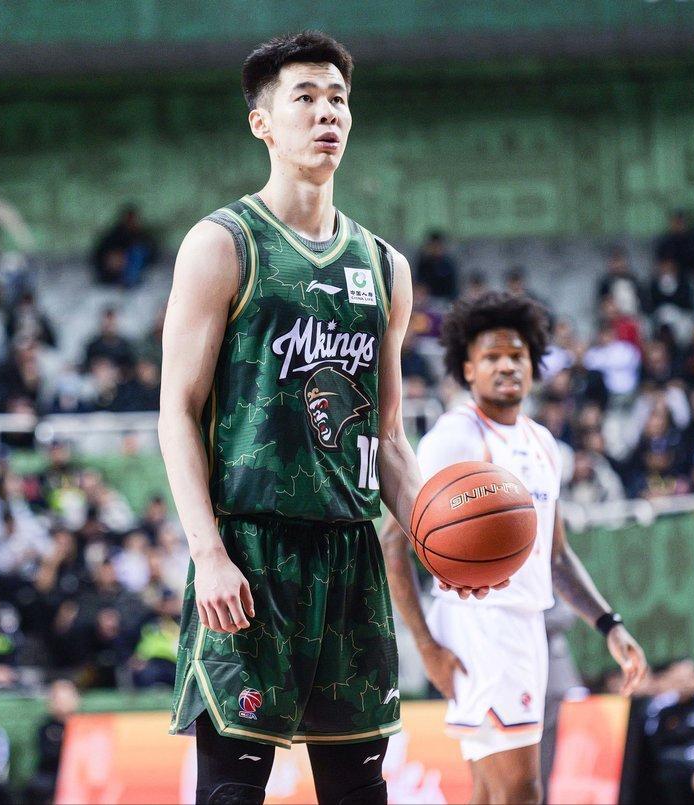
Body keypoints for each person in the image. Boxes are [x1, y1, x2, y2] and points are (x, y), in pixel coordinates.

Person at [158, 32, 461, 805]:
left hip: (351, 556)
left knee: (360, 793)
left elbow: (388, 437)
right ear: (261, 122)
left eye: (338, 99)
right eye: (306, 98)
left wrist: (441, 541)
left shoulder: (384, 266)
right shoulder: (223, 244)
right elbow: (177, 412)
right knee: (231, 793)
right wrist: (208, 552)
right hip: (251, 553)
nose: (328, 113)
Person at [382, 291, 647, 804]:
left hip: (523, 624)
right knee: (524, 791)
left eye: (517, 355)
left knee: (490, 792)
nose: (506, 366)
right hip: (481, 625)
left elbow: (556, 557)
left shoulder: (543, 442)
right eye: (491, 357)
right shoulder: (455, 437)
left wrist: (609, 624)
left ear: (533, 363)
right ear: (467, 368)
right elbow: (394, 542)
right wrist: (427, 647)